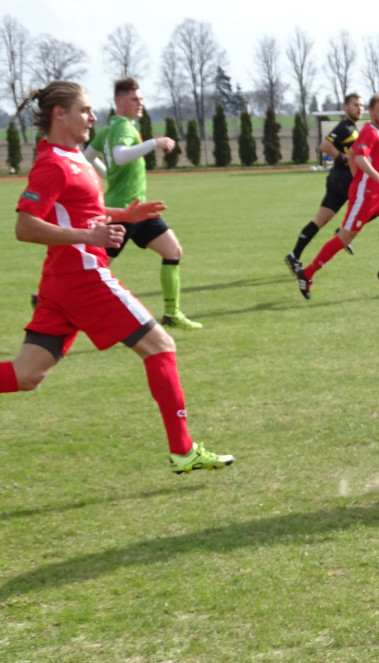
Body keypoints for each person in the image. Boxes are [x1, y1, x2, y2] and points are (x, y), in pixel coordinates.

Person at [5, 81, 233, 473]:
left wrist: (122, 216)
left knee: (27, 375)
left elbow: (80, 208)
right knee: (160, 345)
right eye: (85, 110)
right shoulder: (52, 163)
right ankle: (183, 450)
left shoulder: (71, 156)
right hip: (84, 276)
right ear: (60, 114)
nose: (93, 117)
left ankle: (183, 450)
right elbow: (25, 226)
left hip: (62, 282)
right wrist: (88, 236)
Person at [83, 78, 201, 330]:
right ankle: (46, 300)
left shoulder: (107, 129)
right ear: (119, 101)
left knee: (173, 251)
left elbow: (88, 158)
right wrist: (154, 143)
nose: (140, 104)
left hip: (140, 210)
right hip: (124, 212)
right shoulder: (124, 127)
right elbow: (119, 155)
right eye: (134, 99)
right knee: (94, 268)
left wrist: (108, 175)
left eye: (141, 99)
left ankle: (171, 313)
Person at [293, 93, 379, 296]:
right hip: (366, 196)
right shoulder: (370, 130)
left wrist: (360, 176)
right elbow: (359, 157)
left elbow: (351, 154)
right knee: (344, 238)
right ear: (371, 112)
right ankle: (306, 273)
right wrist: (377, 179)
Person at [284, 93, 363, 276]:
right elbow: (325, 145)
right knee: (373, 205)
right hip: (343, 180)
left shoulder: (352, 128)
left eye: (361, 105)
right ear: (345, 107)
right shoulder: (345, 127)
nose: (359, 108)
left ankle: (294, 255)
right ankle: (343, 232)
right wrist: (342, 157)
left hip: (338, 179)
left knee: (319, 221)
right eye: (355, 105)